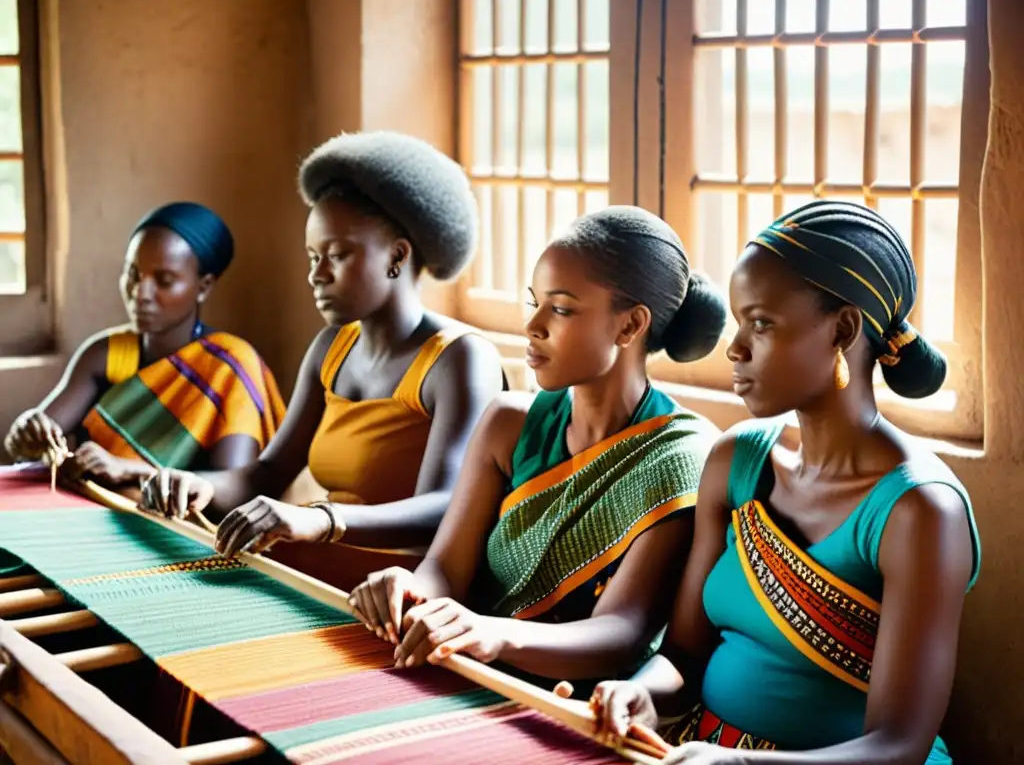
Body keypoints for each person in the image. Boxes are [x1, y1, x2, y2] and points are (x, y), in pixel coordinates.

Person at [588, 201, 982, 764]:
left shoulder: (919, 511)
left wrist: (740, 763)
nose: (736, 348)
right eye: (738, 322)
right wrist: (641, 692)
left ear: (842, 330)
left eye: (762, 324)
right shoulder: (736, 462)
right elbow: (683, 654)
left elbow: (898, 747)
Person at [347, 206, 727, 689]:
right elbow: (445, 567)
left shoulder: (682, 455)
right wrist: (411, 590)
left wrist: (495, 635)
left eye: (562, 309)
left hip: (582, 704)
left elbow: (622, 633)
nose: (534, 326)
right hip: (461, 669)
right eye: (536, 304)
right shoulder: (509, 423)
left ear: (630, 327)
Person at [141, 131, 506, 591]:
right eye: (313, 256)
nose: (317, 274)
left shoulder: (459, 359)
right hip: (316, 576)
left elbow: (445, 506)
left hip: (396, 596)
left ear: (396, 256)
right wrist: (202, 487)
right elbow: (267, 473)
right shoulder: (331, 348)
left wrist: (320, 519)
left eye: (337, 255)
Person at [3, 202, 285, 485]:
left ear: (204, 286)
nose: (141, 293)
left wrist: (130, 470)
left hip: (176, 527)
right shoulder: (106, 354)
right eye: (134, 274)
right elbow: (35, 446)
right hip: (92, 516)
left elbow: (233, 490)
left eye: (164, 280)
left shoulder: (229, 368)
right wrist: (26, 434)